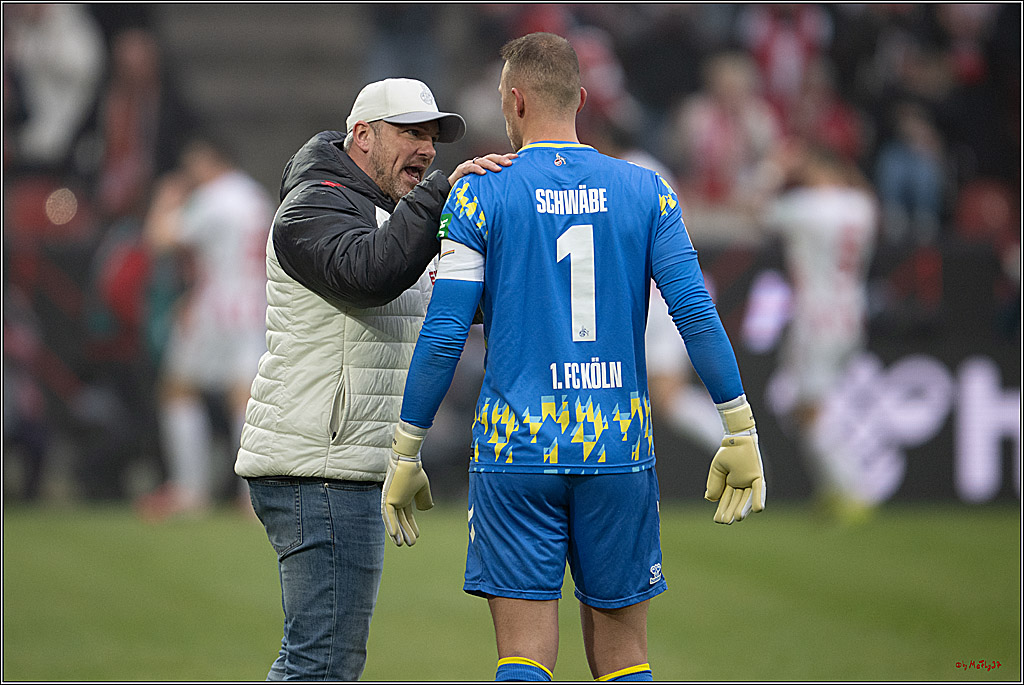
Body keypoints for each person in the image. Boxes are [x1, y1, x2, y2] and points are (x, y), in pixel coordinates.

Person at [382, 33, 766, 682]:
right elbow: (695, 313)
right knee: (623, 661)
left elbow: (447, 331)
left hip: (517, 447)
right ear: (582, 99)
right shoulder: (648, 192)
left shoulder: (480, 193)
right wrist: (740, 427)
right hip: (615, 442)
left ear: (515, 101)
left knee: (524, 658)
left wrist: (405, 448)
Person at [233, 78, 515, 681]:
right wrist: (442, 193)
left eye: (432, 138)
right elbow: (370, 272)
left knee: (323, 659)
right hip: (319, 465)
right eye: (411, 132)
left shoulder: (386, 214)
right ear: (361, 135)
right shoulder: (311, 204)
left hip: (340, 463)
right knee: (322, 664)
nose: (427, 149)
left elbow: (451, 299)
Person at [136, 137, 275, 520]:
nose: (190, 174)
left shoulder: (214, 200)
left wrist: (165, 198)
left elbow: (159, 239)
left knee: (178, 389)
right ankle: (254, 497)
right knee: (247, 398)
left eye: (194, 165)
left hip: (218, 307)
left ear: (211, 161)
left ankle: (189, 489)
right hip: (256, 303)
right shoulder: (254, 196)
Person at [760, 139, 878, 521]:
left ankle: (854, 490)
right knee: (804, 405)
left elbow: (756, 212)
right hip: (852, 314)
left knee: (809, 409)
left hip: (817, 317)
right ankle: (833, 489)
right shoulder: (863, 207)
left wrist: (776, 171)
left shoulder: (805, 208)